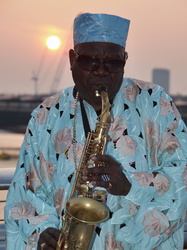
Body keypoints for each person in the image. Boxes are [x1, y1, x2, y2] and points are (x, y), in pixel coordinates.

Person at [4, 12, 187, 250]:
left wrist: (130, 185)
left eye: (113, 63)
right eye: (89, 61)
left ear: (125, 60)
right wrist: (42, 234)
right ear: (72, 59)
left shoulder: (155, 102)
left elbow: (182, 173)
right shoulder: (45, 114)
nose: (101, 71)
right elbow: (25, 194)